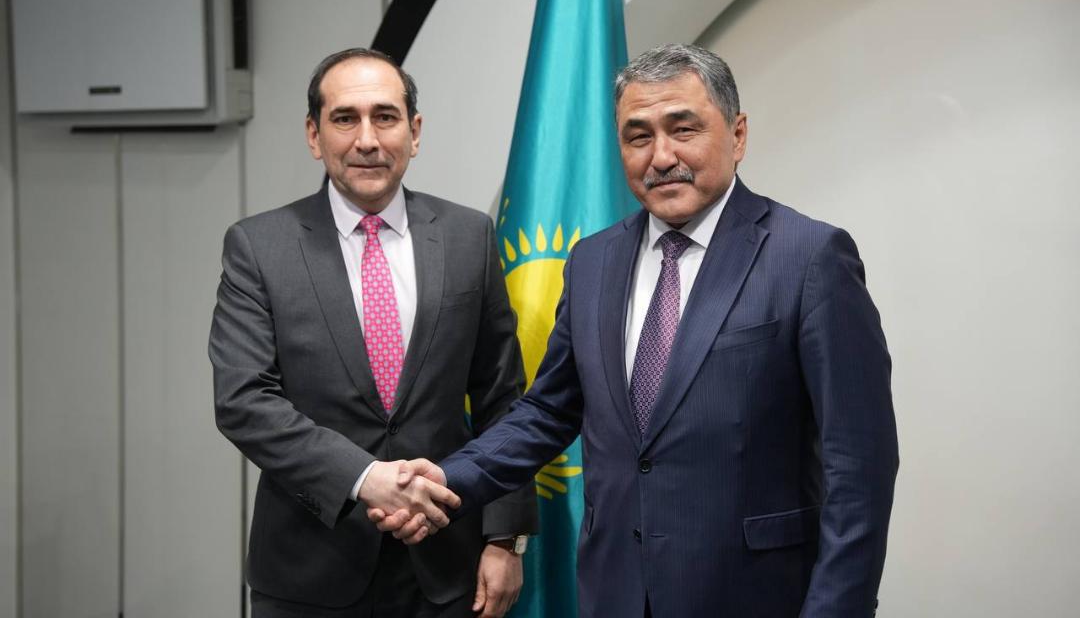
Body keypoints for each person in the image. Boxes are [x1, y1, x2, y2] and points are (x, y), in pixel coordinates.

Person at [372, 43, 899, 617]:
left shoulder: (809, 257)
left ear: (738, 134)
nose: (661, 156)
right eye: (638, 136)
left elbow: (860, 469)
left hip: (754, 595)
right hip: (615, 591)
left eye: (684, 129)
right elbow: (549, 410)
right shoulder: (593, 261)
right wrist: (447, 476)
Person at [210, 47, 537, 618]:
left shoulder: (468, 236)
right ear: (314, 135)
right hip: (310, 574)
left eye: (385, 117)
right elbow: (244, 401)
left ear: (415, 131)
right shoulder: (259, 247)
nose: (367, 139)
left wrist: (505, 537)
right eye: (345, 119)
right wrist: (364, 478)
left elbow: (501, 398)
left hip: (449, 569)